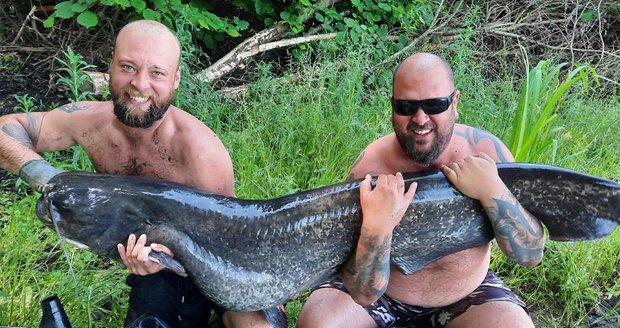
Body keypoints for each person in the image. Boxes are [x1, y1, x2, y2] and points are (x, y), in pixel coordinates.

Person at [0, 20, 284, 328]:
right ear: (110, 66)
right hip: (157, 272)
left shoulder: (199, 152)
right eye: (128, 67)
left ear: (175, 79)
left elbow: (231, 245)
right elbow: (8, 130)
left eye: (157, 73)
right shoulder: (85, 120)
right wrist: (43, 174)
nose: (140, 84)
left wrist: (172, 256)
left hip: (218, 264)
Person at [297, 53, 546, 328]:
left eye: (434, 104)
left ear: (454, 102)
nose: (420, 118)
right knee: (319, 321)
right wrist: (376, 229)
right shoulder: (371, 168)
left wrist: (494, 190)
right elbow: (362, 292)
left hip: (466, 296)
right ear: (392, 107)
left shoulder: (486, 153)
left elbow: (530, 255)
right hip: (384, 298)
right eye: (406, 106)